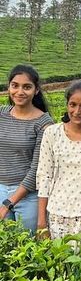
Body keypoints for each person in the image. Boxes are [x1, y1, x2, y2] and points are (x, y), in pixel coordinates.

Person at [36, 81, 81, 247]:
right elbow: (44, 176)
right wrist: (42, 221)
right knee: (59, 268)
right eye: (73, 105)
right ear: (67, 105)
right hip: (56, 214)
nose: (77, 111)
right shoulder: (52, 133)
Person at [0, 64, 53, 233]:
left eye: (27, 87)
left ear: (36, 90)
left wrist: (9, 202)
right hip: (0, 189)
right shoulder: (1, 114)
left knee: (27, 250)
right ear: (8, 87)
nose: (20, 92)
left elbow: (37, 168)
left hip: (28, 196)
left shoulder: (44, 123)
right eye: (15, 86)